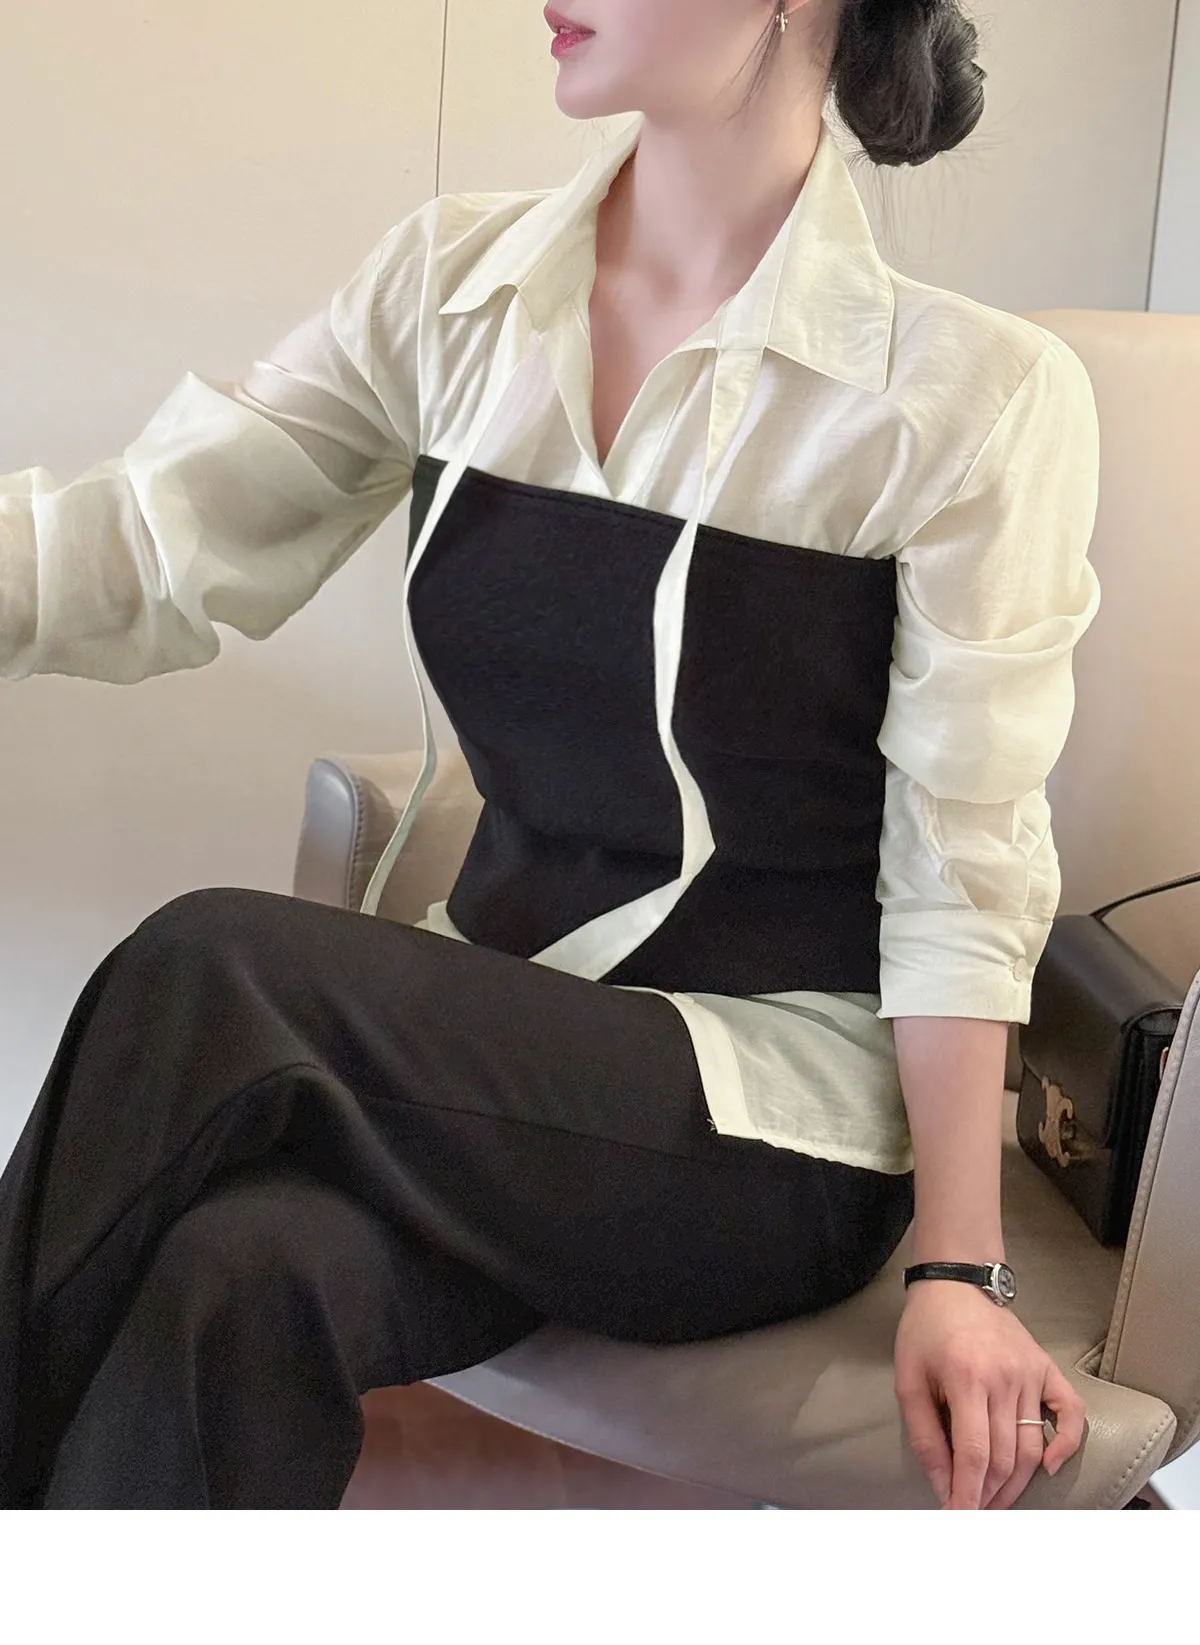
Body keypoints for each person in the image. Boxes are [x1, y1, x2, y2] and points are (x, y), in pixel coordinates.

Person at [0, 0, 1099, 1510]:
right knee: (242, 1270)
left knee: (212, 968)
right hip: (493, 1054)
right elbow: (149, 544)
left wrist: (961, 1270)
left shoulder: (967, 400)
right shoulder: (454, 289)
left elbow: (965, 862)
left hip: (764, 1126)